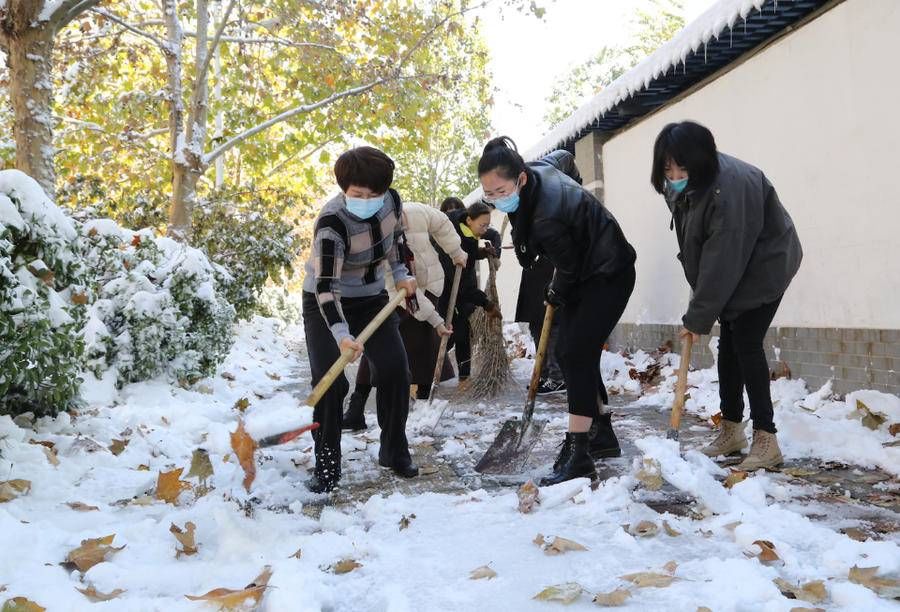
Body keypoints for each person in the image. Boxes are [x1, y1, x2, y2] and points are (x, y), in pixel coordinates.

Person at [478, 137, 636, 486]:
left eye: (501, 190)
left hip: (609, 273)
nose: (495, 198)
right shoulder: (541, 168)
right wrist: (576, 193)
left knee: (573, 351)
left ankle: (579, 452)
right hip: (586, 268)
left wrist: (555, 290)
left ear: (520, 178)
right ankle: (602, 434)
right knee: (574, 353)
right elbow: (566, 157)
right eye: (489, 193)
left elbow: (568, 269)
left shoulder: (548, 215)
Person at [651, 121, 802, 470]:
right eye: (666, 168)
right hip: (734, 264)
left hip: (766, 264)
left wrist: (698, 317)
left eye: (681, 167)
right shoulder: (680, 185)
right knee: (729, 344)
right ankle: (732, 429)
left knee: (746, 341)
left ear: (701, 159)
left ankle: (766, 440)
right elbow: (698, 240)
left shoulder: (730, 190)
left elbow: (724, 259)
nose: (673, 175)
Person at [302, 146, 418, 493]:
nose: (366, 200)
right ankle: (326, 464)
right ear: (344, 189)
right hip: (325, 303)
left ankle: (395, 449)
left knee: (396, 368)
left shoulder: (392, 203)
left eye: (373, 194)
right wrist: (341, 335)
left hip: (371, 299)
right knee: (330, 382)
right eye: (357, 194)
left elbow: (396, 239)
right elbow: (326, 288)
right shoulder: (332, 223)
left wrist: (400, 273)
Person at [342, 201, 468, 428]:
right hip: (397, 296)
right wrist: (437, 320)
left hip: (430, 283)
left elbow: (442, 224)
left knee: (424, 346)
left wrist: (456, 251)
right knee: (377, 344)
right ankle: (357, 407)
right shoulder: (378, 243)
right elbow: (407, 295)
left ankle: (421, 403)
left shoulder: (417, 211)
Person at [438, 202, 502, 385]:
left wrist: (490, 252)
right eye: (482, 225)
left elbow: (492, 235)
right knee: (446, 336)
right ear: (468, 220)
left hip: (465, 290)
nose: (485, 230)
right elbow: (463, 284)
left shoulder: (473, 227)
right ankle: (426, 380)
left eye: (486, 225)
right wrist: (487, 304)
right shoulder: (450, 237)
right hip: (446, 289)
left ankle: (464, 380)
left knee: (463, 333)